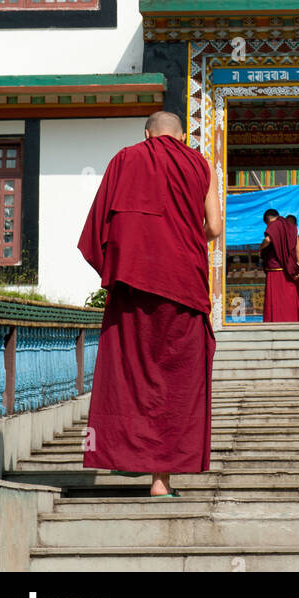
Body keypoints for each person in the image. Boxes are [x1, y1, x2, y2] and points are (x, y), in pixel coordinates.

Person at [77, 110, 222, 498]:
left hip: (134, 279)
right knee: (177, 379)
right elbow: (215, 227)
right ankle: (162, 481)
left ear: (147, 134)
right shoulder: (200, 164)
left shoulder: (125, 158)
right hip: (184, 283)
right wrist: (181, 236)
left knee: (131, 373)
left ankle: (128, 457)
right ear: (182, 135)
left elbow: (99, 226)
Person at [260, 208, 299, 322]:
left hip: (276, 269)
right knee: (289, 298)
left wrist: (260, 248)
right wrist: (298, 266)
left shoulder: (274, 224)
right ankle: (293, 319)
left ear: (268, 220)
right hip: (290, 269)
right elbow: (298, 249)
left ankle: (275, 320)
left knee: (276, 299)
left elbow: (268, 239)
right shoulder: (291, 227)